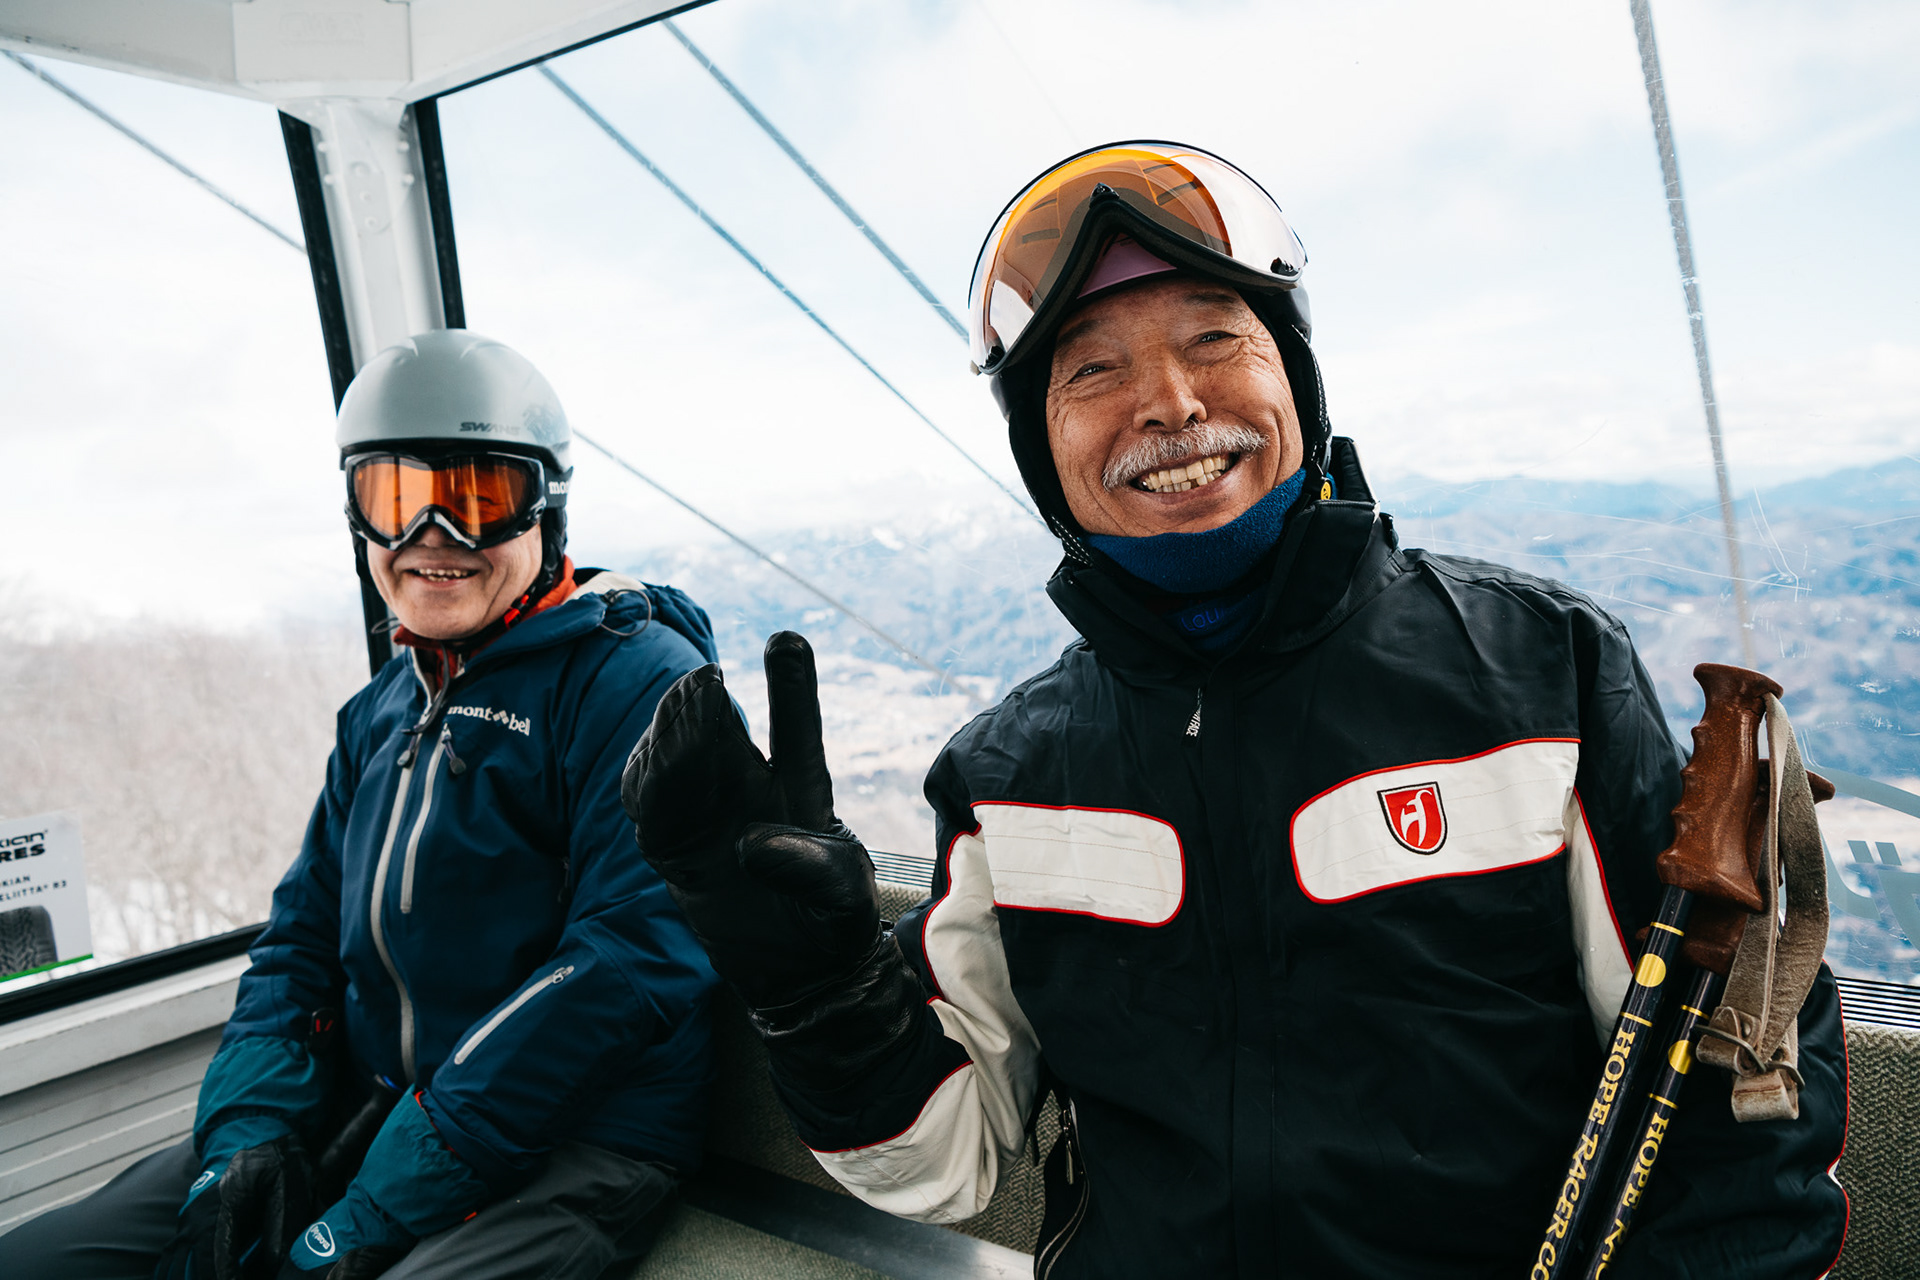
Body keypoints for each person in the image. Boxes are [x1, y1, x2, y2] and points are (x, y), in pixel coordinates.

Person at [622, 144, 1848, 1277]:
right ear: (1042, 453)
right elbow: (939, 1161)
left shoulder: (1541, 677)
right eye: (1092, 368)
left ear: (1295, 384)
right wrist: (816, 987)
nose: (1165, 401)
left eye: (1216, 339)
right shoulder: (1008, 773)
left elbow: (1734, 1103)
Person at [0, 331, 719, 1279]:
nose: (433, 538)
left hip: (582, 1141)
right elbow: (297, 941)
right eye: (393, 498)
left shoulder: (638, 683)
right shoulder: (381, 710)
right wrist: (248, 1133)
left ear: (546, 505)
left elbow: (625, 967)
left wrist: (387, 1195)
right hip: (381, 1103)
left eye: (476, 497)